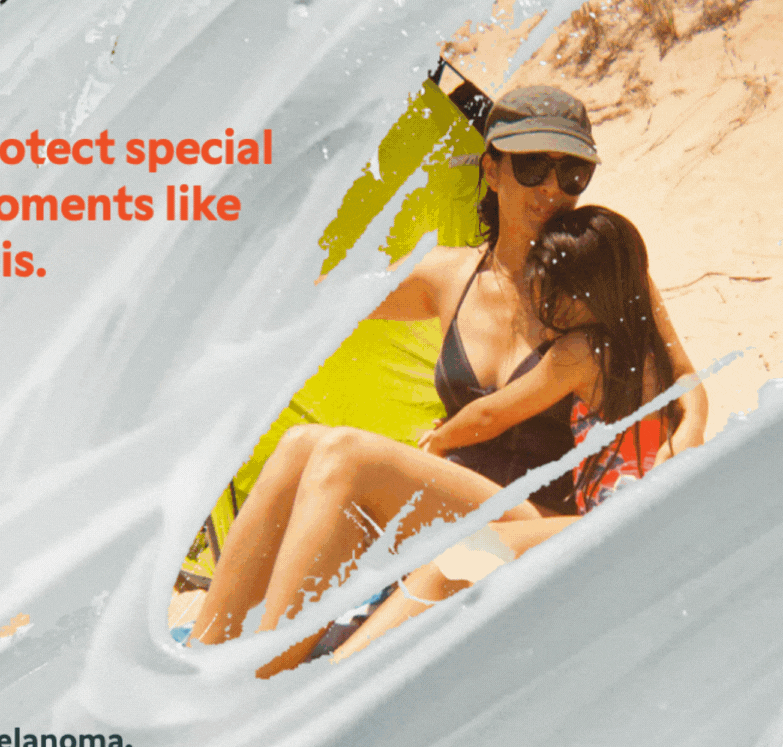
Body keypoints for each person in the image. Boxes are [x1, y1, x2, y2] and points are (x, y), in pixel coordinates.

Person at [189, 86, 707, 655]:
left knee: (345, 456)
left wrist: (689, 433)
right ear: (492, 169)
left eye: (573, 173)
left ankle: (264, 675)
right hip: (455, 501)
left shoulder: (596, 275)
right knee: (298, 445)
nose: (553, 190)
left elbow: (681, 374)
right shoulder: (449, 276)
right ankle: (200, 660)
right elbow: (323, 304)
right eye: (533, 167)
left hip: (539, 509)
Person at [329, 204, 689, 662]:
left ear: (581, 294)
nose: (544, 306)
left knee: (453, 564)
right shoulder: (646, 349)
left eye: (552, 292)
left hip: (606, 531)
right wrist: (685, 448)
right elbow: (688, 397)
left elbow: (491, 415)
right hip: (640, 524)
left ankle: (337, 674)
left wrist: (440, 440)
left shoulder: (579, 351)